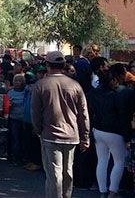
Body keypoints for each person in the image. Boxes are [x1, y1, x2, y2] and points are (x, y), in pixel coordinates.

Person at [31, 51, 90, 198]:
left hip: (50, 135)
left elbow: (35, 113)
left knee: (54, 175)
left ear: (48, 65)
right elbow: (83, 114)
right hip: (71, 135)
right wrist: (85, 137)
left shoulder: (41, 85)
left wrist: (38, 130)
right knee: (68, 172)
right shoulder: (75, 85)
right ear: (63, 65)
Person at [88, 70, 130, 198]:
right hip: (114, 131)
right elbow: (122, 116)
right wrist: (127, 136)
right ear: (112, 81)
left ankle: (103, 191)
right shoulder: (117, 95)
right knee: (119, 161)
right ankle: (113, 191)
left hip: (98, 129)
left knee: (102, 160)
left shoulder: (93, 93)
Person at [7, 73, 26, 164]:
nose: (17, 83)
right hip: (14, 118)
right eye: (16, 81)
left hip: (25, 119)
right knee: (15, 138)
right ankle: (15, 157)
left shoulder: (26, 92)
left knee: (23, 138)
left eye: (20, 81)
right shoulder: (10, 93)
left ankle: (23, 156)